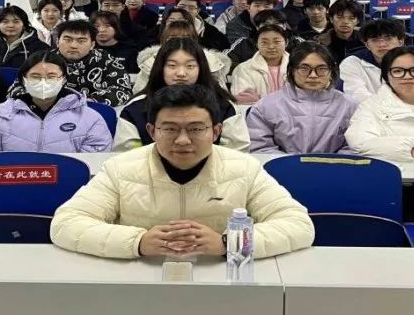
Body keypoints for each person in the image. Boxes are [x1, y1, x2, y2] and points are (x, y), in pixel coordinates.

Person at [50, 84, 315, 259]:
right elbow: (66, 223)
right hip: (141, 281)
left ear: (216, 131)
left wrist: (229, 243)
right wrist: (137, 242)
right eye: (170, 129)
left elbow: (298, 225)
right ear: (152, 131)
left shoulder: (244, 168)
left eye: (196, 129)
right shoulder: (121, 169)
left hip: (221, 282)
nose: (183, 140)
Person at [116, 38, 248, 151]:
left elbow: (236, 154)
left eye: (190, 66)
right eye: (172, 66)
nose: (181, 73)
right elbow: (125, 156)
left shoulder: (225, 106)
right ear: (160, 68)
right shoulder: (135, 108)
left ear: (201, 69)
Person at [0, 51, 112, 154]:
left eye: (51, 77)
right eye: (35, 76)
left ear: (63, 79)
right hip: (15, 181)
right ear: (24, 80)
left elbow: (94, 160)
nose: (43, 82)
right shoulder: (1, 116)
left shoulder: (89, 118)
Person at [247, 42, 357, 153]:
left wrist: (330, 162)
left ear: (331, 71)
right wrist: (292, 163)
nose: (313, 75)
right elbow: (260, 147)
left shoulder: (350, 106)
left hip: (336, 164)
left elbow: (355, 146)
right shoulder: (266, 106)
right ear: (292, 70)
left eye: (321, 69)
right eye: (304, 68)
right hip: (282, 164)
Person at [134, 14, 230, 94]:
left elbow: (221, 97)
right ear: (163, 40)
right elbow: (140, 94)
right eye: (173, 37)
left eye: (186, 38)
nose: (179, 41)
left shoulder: (212, 63)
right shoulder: (149, 63)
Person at [47, 19, 132, 106]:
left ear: (92, 45)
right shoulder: (45, 60)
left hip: (94, 109)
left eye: (81, 41)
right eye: (68, 40)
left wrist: (91, 101)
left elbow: (123, 89)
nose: (73, 46)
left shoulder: (104, 59)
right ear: (57, 42)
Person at [338, 18, 405, 103]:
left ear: (401, 42)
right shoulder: (352, 63)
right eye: (375, 40)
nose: (382, 44)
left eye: (388, 38)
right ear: (367, 45)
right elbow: (357, 96)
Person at [226, 9, 304, 72]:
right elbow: (226, 63)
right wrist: (254, 70)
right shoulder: (243, 44)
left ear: (284, 26)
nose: (271, 27)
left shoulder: (297, 43)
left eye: (276, 23)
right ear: (257, 27)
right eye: (265, 24)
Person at [231, 24, 290, 105]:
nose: (271, 46)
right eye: (264, 42)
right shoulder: (243, 69)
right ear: (257, 44)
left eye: (277, 42)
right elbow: (244, 103)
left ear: (286, 43)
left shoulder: (297, 67)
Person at [0, 5, 50, 69]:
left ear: (24, 25)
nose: (11, 25)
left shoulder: (40, 48)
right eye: (5, 22)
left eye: (16, 22)